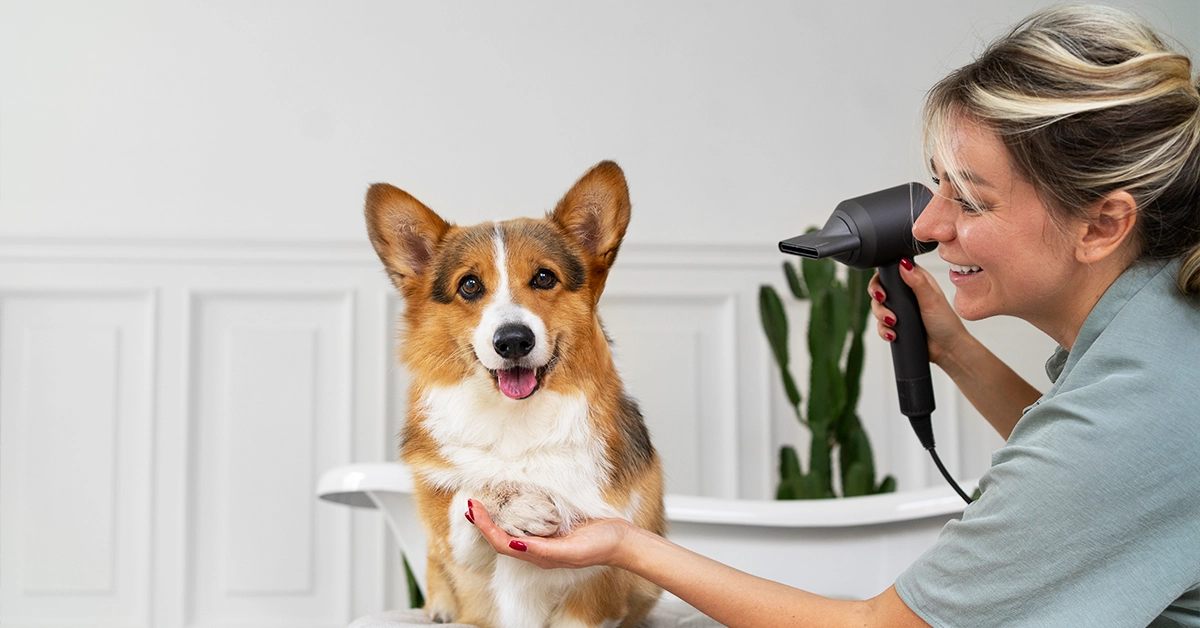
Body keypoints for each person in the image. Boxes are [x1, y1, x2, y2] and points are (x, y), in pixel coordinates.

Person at [468, 5, 1200, 626]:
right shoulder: (1157, 335)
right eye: (938, 185)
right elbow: (1097, 475)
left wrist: (626, 545)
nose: (932, 223)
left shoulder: (1151, 397)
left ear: (1102, 225)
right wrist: (957, 352)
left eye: (971, 199)